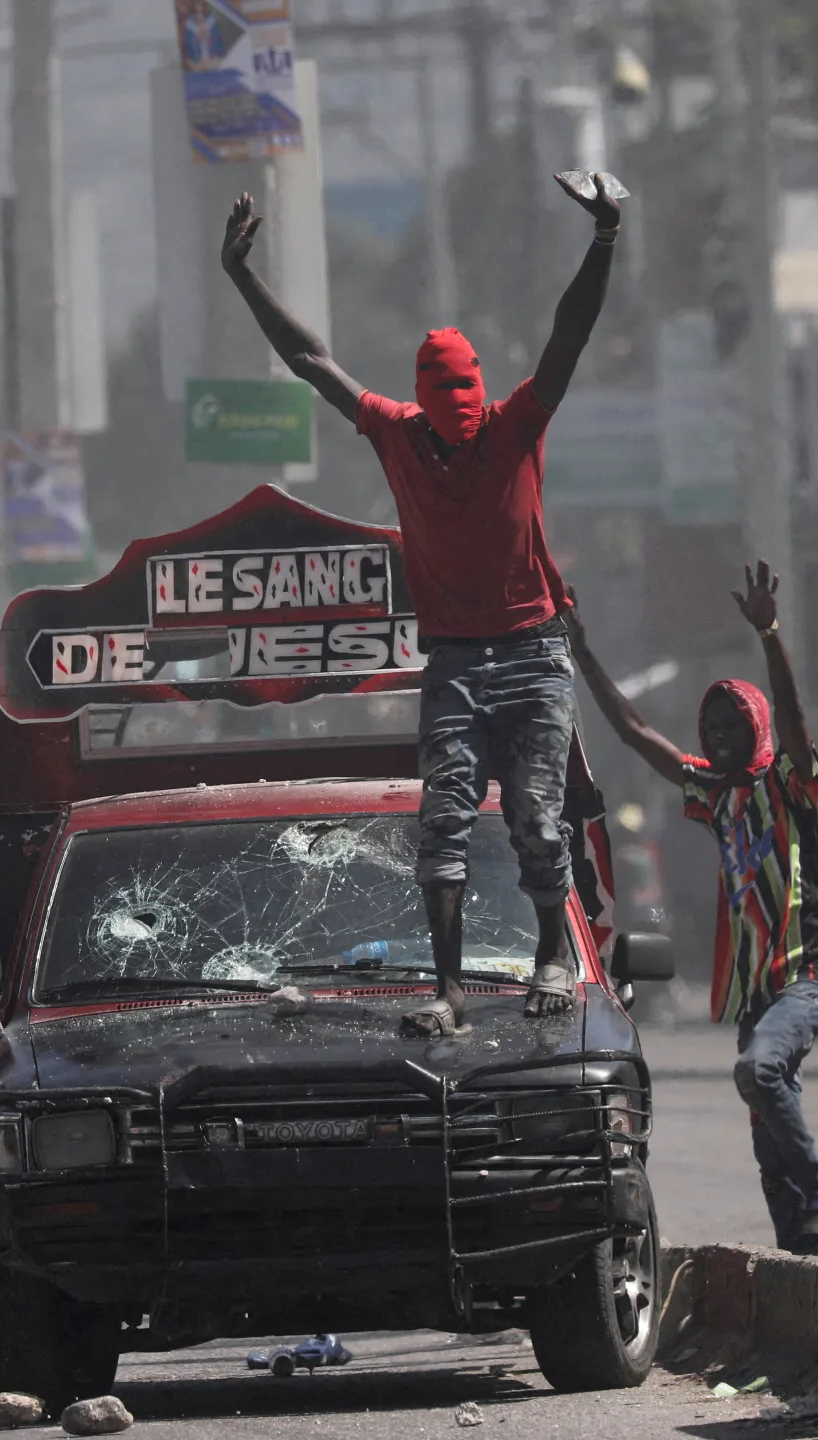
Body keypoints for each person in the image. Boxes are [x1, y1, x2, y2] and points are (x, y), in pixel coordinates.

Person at [220, 171, 622, 1034]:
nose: (459, 428)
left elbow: (568, 335)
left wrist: (604, 240)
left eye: (467, 412)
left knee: (537, 822)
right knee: (440, 822)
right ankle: (448, 992)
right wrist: (242, 275)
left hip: (532, 652)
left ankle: (553, 948)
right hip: (453, 659)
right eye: (447, 416)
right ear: (425, 407)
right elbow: (309, 360)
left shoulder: (514, 427)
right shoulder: (397, 433)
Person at [567, 563, 818, 1254]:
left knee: (757, 1073)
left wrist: (770, 634)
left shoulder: (788, 784)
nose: (720, 734)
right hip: (758, 992)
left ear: (754, 727)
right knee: (764, 1133)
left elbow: (793, 718)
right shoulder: (712, 795)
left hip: (806, 975)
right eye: (710, 724)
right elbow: (635, 732)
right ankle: (804, 1251)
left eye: (732, 723)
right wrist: (580, 652)